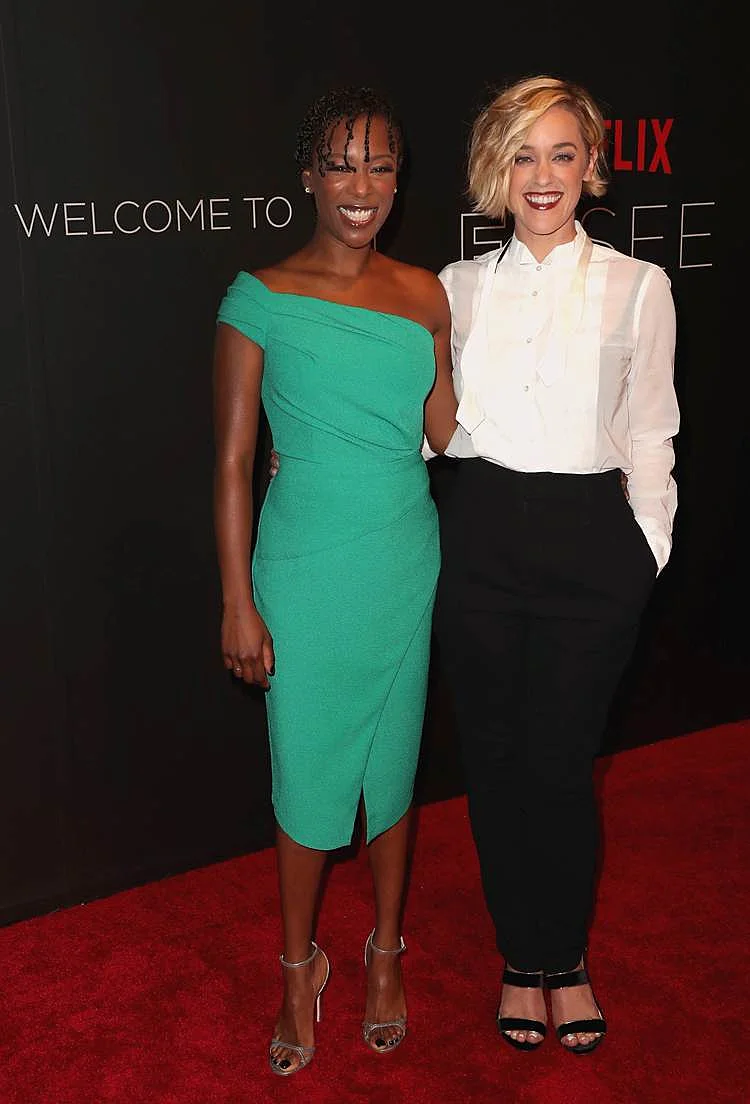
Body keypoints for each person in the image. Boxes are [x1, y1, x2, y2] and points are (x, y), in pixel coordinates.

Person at [432, 74, 679, 1054]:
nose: (543, 176)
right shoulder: (453, 290)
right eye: (523, 155)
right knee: (494, 764)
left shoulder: (638, 285)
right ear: (496, 170)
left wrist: (645, 552)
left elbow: (652, 432)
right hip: (481, 537)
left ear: (591, 168)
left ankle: (564, 958)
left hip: (591, 546)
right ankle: (519, 957)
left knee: (562, 766)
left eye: (562, 154)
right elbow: (428, 428)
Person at [211, 86, 456, 1076]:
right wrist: (237, 600)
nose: (362, 185)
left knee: (393, 769)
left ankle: (385, 950)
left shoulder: (425, 294)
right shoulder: (258, 297)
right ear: (309, 175)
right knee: (306, 770)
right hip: (305, 569)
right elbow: (233, 463)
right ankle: (296, 966)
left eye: (380, 165)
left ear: (399, 180)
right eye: (343, 164)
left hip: (403, 556)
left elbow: (447, 431)